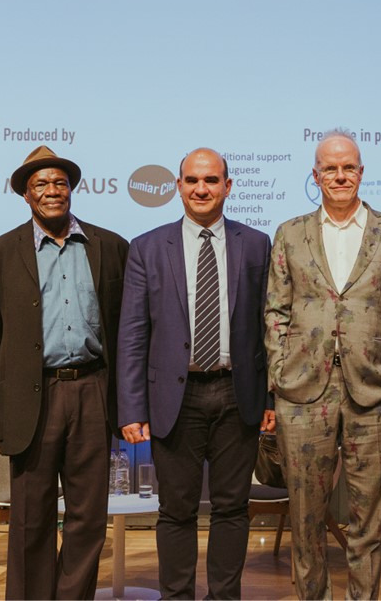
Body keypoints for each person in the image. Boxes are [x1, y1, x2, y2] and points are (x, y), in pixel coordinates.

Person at [265, 130, 381, 599]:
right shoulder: (290, 233)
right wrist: (279, 370)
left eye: (348, 167)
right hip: (302, 391)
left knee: (369, 518)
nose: (339, 176)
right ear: (315, 175)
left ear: (361, 172)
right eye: (330, 169)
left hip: (375, 390)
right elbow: (276, 310)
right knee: (305, 518)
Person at [117, 147, 274, 599]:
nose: (201, 189)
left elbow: (270, 327)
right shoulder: (147, 247)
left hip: (237, 393)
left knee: (232, 509)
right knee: (176, 510)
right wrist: (132, 407)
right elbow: (133, 333)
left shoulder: (256, 243)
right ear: (178, 186)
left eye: (210, 180)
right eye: (191, 180)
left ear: (228, 186)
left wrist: (271, 399)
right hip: (174, 398)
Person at [0, 145, 128, 599]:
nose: (52, 191)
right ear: (26, 195)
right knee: (30, 517)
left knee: (88, 516)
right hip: (32, 396)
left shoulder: (110, 246)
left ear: (71, 189)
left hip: (92, 391)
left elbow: (126, 330)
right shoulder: (0, 252)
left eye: (59, 182)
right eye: (41, 184)